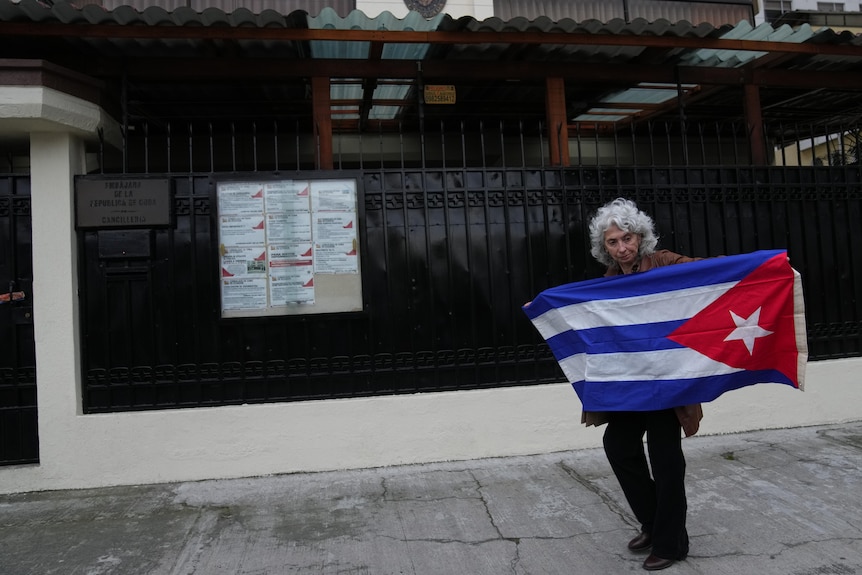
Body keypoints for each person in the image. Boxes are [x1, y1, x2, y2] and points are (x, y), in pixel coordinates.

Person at [585, 197, 704, 571]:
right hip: (633, 385)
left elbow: (712, 275)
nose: (621, 248)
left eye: (626, 239)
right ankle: (654, 524)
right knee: (618, 445)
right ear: (603, 247)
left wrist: (757, 268)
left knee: (666, 459)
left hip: (668, 385)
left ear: (640, 237)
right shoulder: (608, 282)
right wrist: (543, 307)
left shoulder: (665, 263)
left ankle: (671, 544)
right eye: (612, 242)